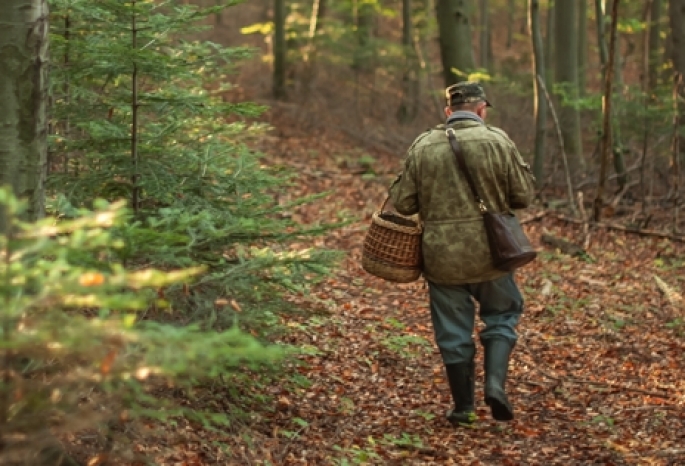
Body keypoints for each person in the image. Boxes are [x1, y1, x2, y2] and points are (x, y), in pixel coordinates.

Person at [388, 81, 535, 426]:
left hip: (442, 257)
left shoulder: (424, 146)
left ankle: (463, 408)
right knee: (501, 315)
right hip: (493, 254)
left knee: (453, 331)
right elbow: (523, 196)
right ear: (482, 109)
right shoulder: (498, 141)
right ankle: (495, 384)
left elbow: (403, 202)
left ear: (448, 112)